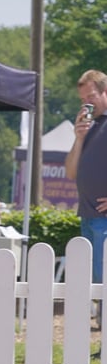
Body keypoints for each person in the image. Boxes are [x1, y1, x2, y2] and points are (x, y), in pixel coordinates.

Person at [64, 69, 107, 287]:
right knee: (91, 283)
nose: (86, 103)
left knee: (103, 280)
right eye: (83, 99)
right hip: (87, 215)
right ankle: (98, 321)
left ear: (104, 92)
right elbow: (70, 172)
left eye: (91, 97)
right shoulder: (87, 127)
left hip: (104, 218)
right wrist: (78, 138)